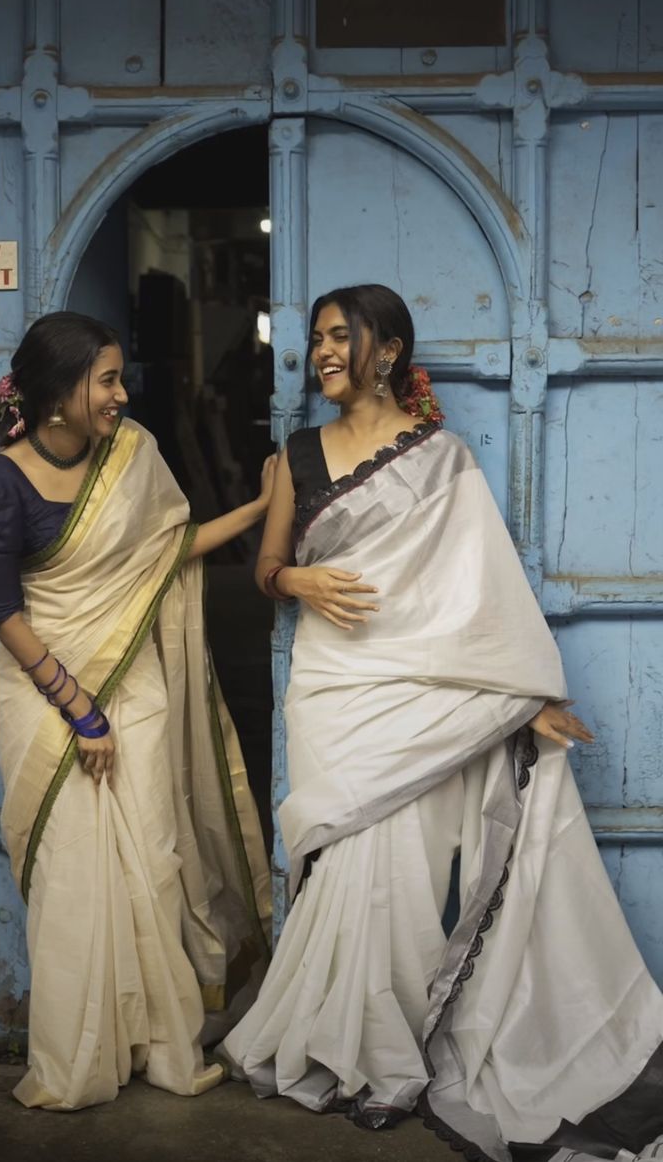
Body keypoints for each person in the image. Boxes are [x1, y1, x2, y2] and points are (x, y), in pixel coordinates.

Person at [220, 284, 663, 1160]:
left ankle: (386, 1061)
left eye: (341, 337)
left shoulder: (443, 459)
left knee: (407, 883)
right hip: (337, 694)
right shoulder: (296, 455)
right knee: (349, 871)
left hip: (423, 703)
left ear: (388, 350)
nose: (325, 353)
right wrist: (297, 581)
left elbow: (479, 592)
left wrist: (526, 695)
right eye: (317, 340)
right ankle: (341, 1047)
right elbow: (265, 566)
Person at [0, 311, 273, 1111]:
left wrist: (258, 511)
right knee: (73, 873)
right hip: (46, 694)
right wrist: (79, 712)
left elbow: (166, 553)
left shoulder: (130, 457)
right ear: (57, 397)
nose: (120, 395)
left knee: (153, 859)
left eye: (118, 377)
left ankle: (160, 1043)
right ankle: (76, 1062)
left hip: (131, 686)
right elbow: (6, 613)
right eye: (106, 380)